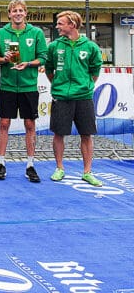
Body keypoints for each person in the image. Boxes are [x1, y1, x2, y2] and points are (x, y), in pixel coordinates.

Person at [45, 11, 104, 186]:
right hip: (61, 97)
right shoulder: (54, 46)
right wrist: (58, 85)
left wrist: (85, 86)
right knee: (59, 133)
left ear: (72, 24)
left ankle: (87, 172)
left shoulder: (90, 47)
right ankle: (59, 168)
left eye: (60, 23)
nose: (57, 26)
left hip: (84, 97)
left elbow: (95, 72)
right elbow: (49, 69)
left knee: (86, 134)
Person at [0, 0, 48, 182]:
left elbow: (43, 57)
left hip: (28, 86)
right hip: (8, 86)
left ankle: (30, 165)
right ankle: (1, 163)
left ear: (26, 13)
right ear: (8, 14)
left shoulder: (36, 33)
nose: (17, 13)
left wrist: (29, 63)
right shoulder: (0, 34)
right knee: (4, 124)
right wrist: (4, 59)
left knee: (30, 125)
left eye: (20, 10)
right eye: (14, 11)